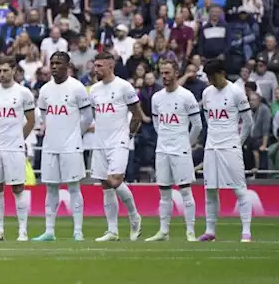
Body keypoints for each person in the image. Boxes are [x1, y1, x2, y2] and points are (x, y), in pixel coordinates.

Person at [33, 52, 90, 243]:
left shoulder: (77, 88)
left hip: (71, 146)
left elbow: (87, 117)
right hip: (50, 146)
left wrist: (75, 134)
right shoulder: (45, 90)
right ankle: (49, 231)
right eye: (52, 63)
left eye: (59, 63)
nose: (54, 66)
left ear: (67, 65)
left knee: (74, 187)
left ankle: (78, 231)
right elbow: (43, 115)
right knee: (51, 188)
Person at [87, 52, 144, 242]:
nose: (96, 70)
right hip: (100, 141)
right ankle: (112, 230)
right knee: (105, 185)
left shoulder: (124, 87)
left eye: (99, 66)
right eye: (95, 66)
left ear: (110, 66)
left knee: (115, 180)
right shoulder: (93, 90)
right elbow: (97, 115)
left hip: (119, 140)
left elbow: (137, 114)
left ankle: (134, 216)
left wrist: (128, 136)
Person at [198, 59, 253, 243]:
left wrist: (238, 141)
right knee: (210, 190)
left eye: (212, 76)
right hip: (211, 147)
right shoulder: (207, 93)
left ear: (222, 73)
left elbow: (248, 122)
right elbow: (208, 119)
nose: (210, 80)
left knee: (239, 189)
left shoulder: (236, 92)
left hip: (230, 146)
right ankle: (210, 231)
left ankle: (246, 231)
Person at [0, 56, 36, 242]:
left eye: (6, 70)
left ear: (14, 71)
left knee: (18, 187)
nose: (2, 74)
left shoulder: (24, 93)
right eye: (0, 71)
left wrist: (18, 139)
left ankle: (23, 230)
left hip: (15, 147)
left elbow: (31, 120)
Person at [148, 59, 201, 242]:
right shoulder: (156, 98)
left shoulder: (186, 96)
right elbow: (157, 124)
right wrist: (165, 138)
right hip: (162, 149)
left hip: (181, 150)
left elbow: (197, 126)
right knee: (164, 192)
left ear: (176, 73)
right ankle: (163, 231)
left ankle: (190, 231)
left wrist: (186, 143)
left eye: (167, 73)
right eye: (162, 73)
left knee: (185, 190)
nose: (164, 76)